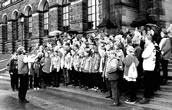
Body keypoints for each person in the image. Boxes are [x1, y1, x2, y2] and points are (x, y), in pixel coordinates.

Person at [140, 30, 156, 104]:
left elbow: (144, 55)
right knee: (149, 82)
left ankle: (146, 97)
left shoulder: (150, 46)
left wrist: (143, 52)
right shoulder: (152, 45)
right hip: (150, 66)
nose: (145, 41)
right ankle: (149, 94)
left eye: (146, 40)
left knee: (147, 83)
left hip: (148, 67)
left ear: (149, 40)